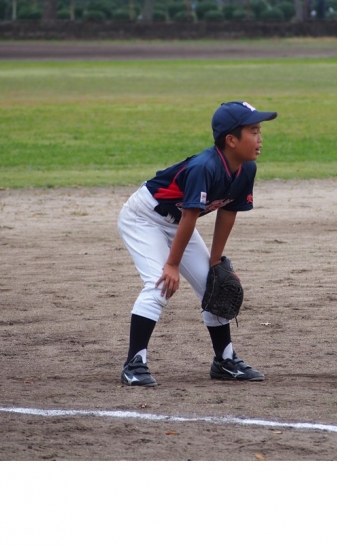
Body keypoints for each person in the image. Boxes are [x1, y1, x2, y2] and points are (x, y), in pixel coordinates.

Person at [117, 101, 278, 386]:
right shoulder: (204, 167)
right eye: (253, 131)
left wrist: (216, 260)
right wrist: (171, 265)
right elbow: (190, 217)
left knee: (214, 285)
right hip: (144, 217)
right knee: (159, 284)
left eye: (259, 131)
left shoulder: (246, 169)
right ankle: (134, 363)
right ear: (231, 140)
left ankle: (224, 361)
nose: (260, 138)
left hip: (178, 222)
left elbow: (227, 212)